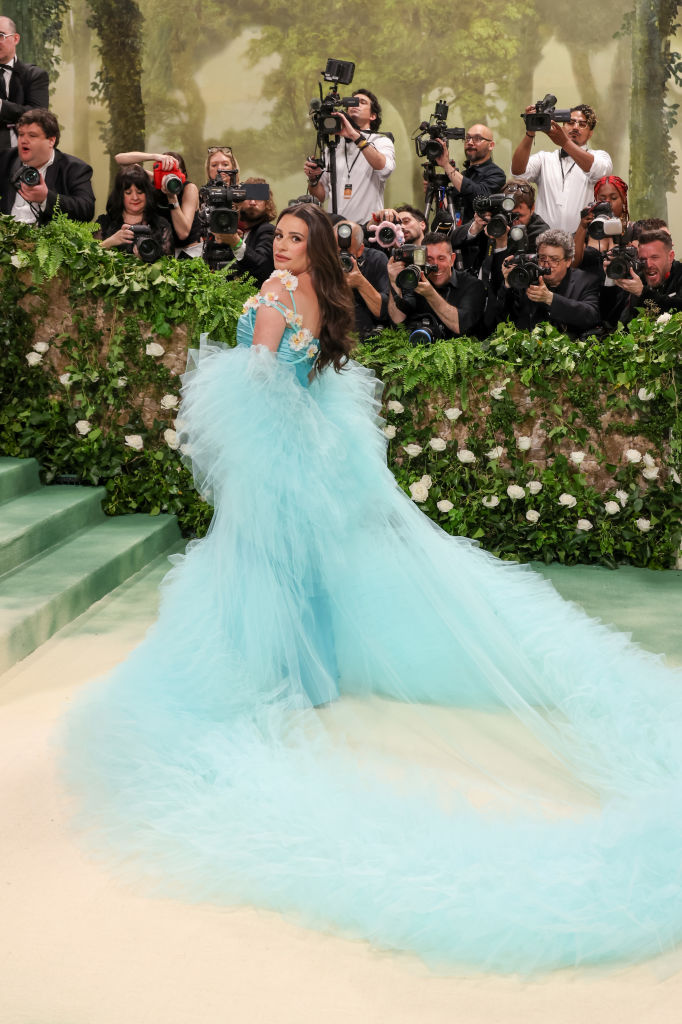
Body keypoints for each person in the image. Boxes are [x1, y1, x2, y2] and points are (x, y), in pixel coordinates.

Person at [62, 202, 682, 976]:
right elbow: (313, 373)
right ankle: (305, 672)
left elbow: (259, 382)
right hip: (315, 450)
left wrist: (264, 396)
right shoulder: (326, 295)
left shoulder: (272, 296)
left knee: (260, 565)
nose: (281, 247)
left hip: (277, 457)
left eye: (293, 238)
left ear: (310, 245)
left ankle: (279, 674)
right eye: (278, 238)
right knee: (294, 566)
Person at [511, 104, 612, 233]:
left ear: (590, 133)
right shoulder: (544, 159)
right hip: (543, 242)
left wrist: (565, 143)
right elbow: (518, 172)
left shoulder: (600, 156)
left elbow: (598, 171)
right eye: (570, 123)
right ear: (562, 127)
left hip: (581, 242)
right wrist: (530, 131)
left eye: (582, 124)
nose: (575, 127)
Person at [303, 88, 395, 222]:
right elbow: (320, 197)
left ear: (373, 116)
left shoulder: (381, 141)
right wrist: (313, 180)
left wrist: (354, 135)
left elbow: (384, 169)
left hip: (367, 228)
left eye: (362, 102)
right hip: (334, 227)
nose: (355, 104)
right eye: (352, 103)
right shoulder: (333, 147)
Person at [495, 228, 600, 335]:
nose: (546, 265)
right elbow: (501, 317)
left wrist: (550, 299)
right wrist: (509, 283)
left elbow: (590, 317)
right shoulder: (527, 277)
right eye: (542, 258)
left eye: (554, 259)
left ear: (568, 261)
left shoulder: (586, 280)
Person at [0, 108, 94, 224]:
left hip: (44, 240)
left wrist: (46, 198)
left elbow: (86, 209)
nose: (23, 140)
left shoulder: (74, 168)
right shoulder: (5, 160)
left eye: (32, 135)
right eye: (21, 134)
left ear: (51, 141)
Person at [387, 231, 486, 339]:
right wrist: (394, 282)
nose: (435, 266)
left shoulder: (472, 285)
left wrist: (430, 294)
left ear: (452, 259)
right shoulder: (414, 280)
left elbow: (462, 326)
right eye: (429, 259)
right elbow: (398, 321)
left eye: (441, 258)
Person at [114, 149, 202, 258]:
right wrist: (155, 157)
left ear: (183, 174)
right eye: (166, 172)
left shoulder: (189, 188)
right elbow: (119, 159)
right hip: (164, 250)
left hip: (189, 251)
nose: (169, 177)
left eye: (174, 172)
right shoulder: (156, 180)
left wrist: (172, 197)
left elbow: (183, 233)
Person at [94, 164, 173, 260]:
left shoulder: (161, 225)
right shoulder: (105, 223)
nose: (135, 198)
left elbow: (169, 263)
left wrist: (148, 260)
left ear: (147, 194)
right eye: (128, 192)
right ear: (120, 195)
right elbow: (89, 258)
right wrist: (110, 242)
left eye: (140, 192)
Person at [432, 122, 506, 225]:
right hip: (456, 236)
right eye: (467, 138)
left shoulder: (497, 174)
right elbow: (450, 208)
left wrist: (446, 165)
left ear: (491, 145)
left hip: (479, 237)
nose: (470, 142)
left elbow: (479, 196)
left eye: (478, 139)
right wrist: (436, 192)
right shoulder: (464, 174)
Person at [212, 176, 276, 287]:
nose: (252, 202)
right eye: (248, 197)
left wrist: (236, 243)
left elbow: (263, 266)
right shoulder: (247, 232)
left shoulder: (267, 230)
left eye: (259, 198)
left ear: (267, 204)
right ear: (239, 202)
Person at [608, 228, 682, 321]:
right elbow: (613, 322)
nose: (648, 265)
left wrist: (642, 293)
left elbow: (677, 310)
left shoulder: (679, 274)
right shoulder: (638, 279)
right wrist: (610, 276)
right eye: (643, 259)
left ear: (670, 257)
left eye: (654, 257)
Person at [335, 219, 389, 339]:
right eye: (336, 251)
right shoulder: (322, 262)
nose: (341, 258)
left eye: (347, 251)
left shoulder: (376, 260)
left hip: (368, 340)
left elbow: (384, 312)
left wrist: (360, 282)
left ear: (360, 249)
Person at [0, 16, 49, 150]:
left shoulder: (35, 75)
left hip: (25, 155)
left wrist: (1, 106)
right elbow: (27, 111)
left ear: (15, 38)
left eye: (0, 35)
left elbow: (38, 115)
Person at [573, 174, 633, 270]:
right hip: (587, 284)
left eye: (613, 198)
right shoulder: (588, 230)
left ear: (623, 200)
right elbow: (573, 264)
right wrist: (582, 227)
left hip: (622, 284)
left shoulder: (633, 230)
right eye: (602, 199)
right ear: (596, 201)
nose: (608, 203)